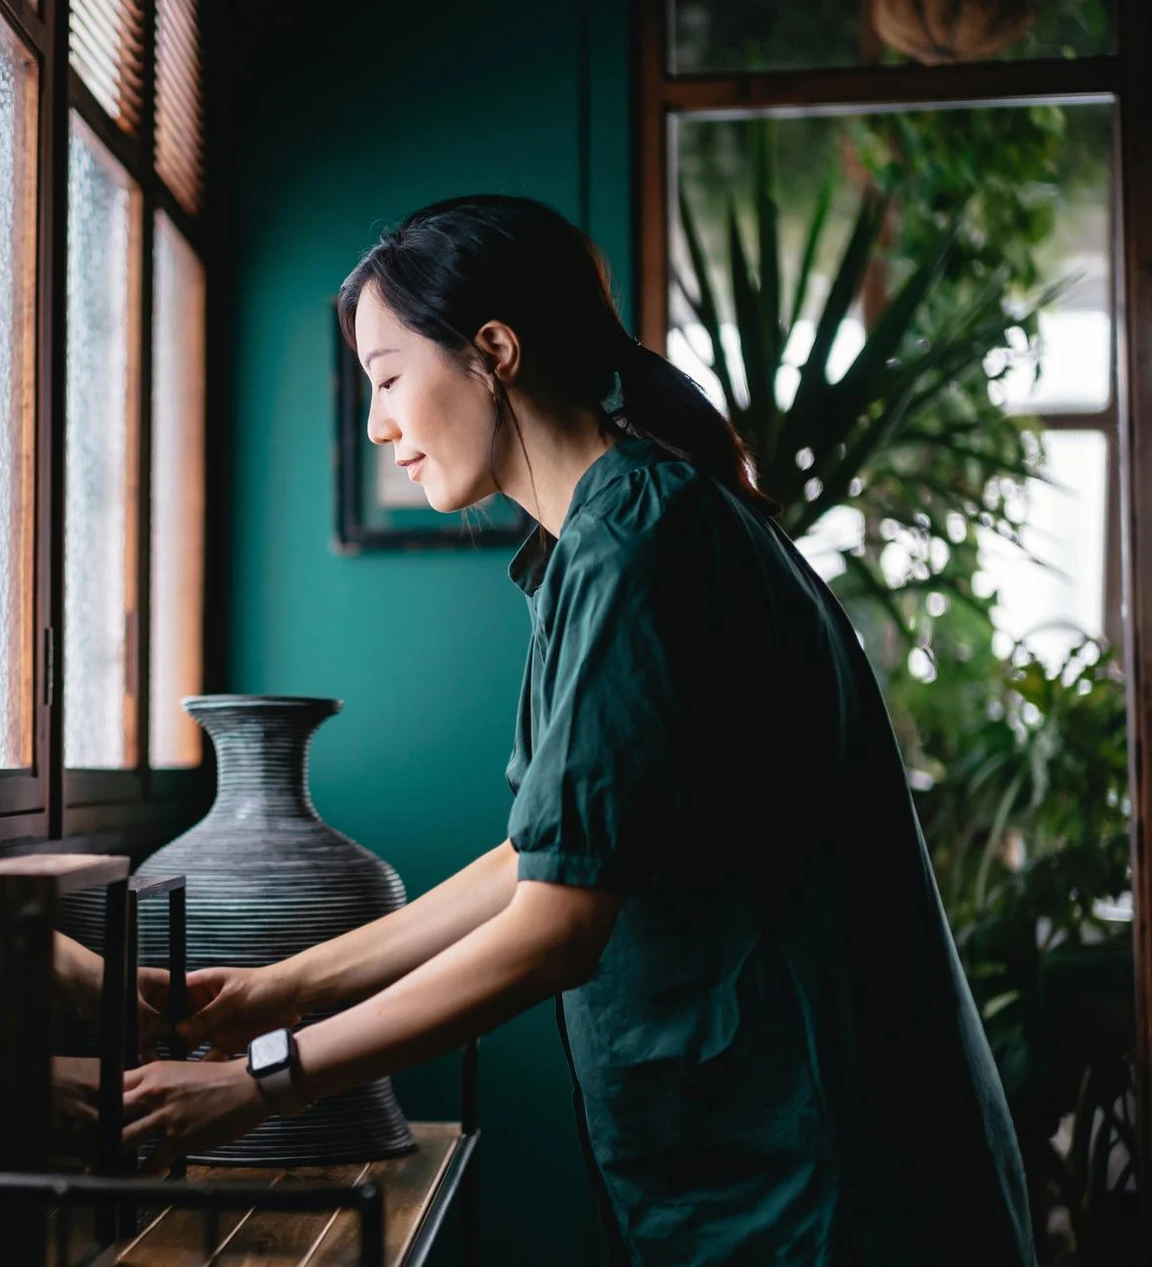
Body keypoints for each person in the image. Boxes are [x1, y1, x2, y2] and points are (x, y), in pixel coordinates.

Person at [117, 195, 1034, 1265]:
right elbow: (545, 856)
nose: (376, 424)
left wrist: (260, 1080)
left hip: (816, 1181)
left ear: (494, 351)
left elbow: (554, 926)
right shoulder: (608, 538)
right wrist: (276, 989)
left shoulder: (637, 540)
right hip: (762, 1171)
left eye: (387, 378)